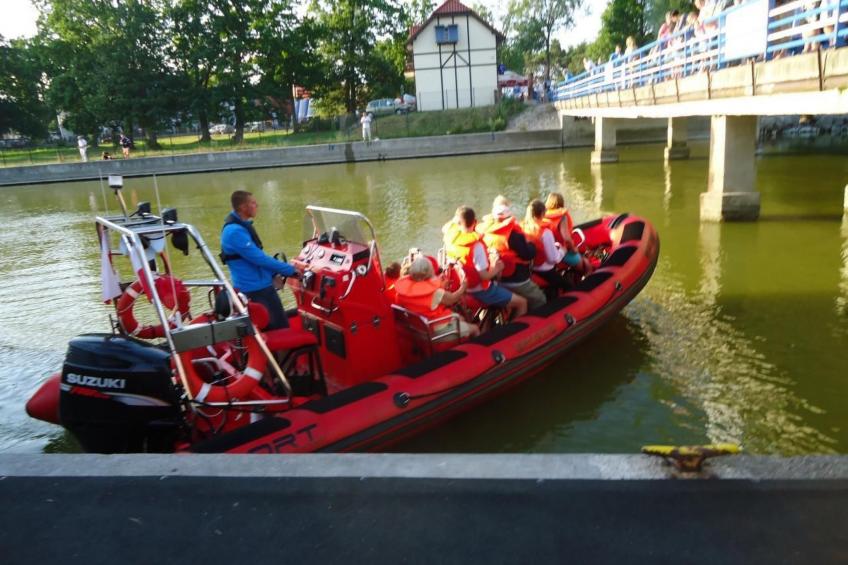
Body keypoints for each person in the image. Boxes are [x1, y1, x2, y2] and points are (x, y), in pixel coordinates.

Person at [221, 190, 296, 330]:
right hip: (256, 290)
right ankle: (280, 352)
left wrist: (273, 275)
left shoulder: (242, 226)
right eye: (253, 203)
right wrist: (292, 270)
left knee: (280, 326)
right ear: (243, 207)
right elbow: (259, 259)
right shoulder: (234, 232)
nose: (257, 205)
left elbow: (255, 258)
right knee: (278, 329)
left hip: (261, 286)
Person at [444, 206, 526, 320]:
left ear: (457, 222)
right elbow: (483, 276)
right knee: (522, 303)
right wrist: (497, 268)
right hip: (480, 290)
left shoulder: (450, 239)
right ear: (475, 222)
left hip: (462, 287)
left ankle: (489, 321)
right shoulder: (476, 246)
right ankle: (513, 333)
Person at [476, 196, 546, 310]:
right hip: (516, 280)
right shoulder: (513, 235)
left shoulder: (484, 231)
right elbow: (528, 254)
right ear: (508, 216)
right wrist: (532, 244)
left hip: (496, 278)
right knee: (540, 299)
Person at [394, 256, 479, 340]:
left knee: (461, 318)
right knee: (475, 328)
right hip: (437, 330)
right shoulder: (435, 293)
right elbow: (453, 299)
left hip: (418, 329)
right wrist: (464, 286)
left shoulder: (401, 293)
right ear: (430, 272)